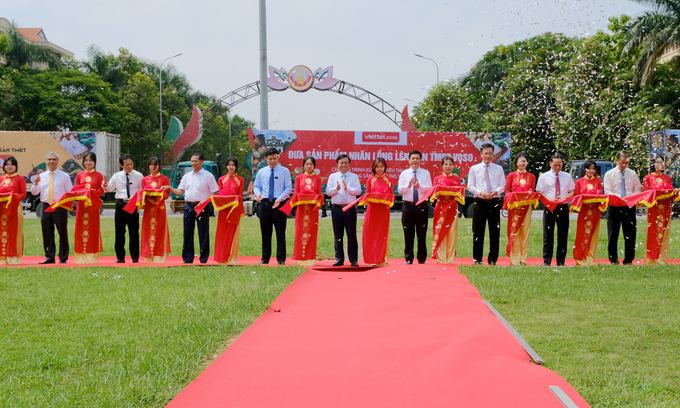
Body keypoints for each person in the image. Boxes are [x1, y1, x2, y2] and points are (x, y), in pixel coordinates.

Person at [163, 153, 219, 264]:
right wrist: (169, 188)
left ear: (201, 162)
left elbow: (214, 192)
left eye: (195, 161)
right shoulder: (187, 176)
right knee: (188, 232)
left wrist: (205, 201)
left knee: (203, 232)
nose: (193, 163)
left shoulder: (208, 176)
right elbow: (179, 192)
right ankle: (188, 258)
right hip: (188, 206)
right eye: (192, 161)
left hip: (202, 206)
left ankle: (203, 258)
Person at [31, 152, 73, 264]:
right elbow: (35, 193)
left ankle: (63, 257)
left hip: (59, 206)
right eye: (49, 159)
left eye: (54, 159)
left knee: (62, 232)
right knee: (47, 232)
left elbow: (70, 192)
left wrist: (60, 199)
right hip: (45, 206)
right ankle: (49, 256)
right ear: (46, 161)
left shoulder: (65, 176)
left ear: (57, 161)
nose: (51, 161)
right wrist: (35, 184)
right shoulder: (41, 176)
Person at [467, 143, 506, 265]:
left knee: (494, 232)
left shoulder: (498, 169)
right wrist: (481, 192)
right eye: (485, 153)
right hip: (480, 202)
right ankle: (477, 259)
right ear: (481, 154)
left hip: (494, 202)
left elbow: (502, 185)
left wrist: (496, 191)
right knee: (478, 231)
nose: (488, 156)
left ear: (493, 154)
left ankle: (493, 259)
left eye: (490, 153)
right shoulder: (474, 169)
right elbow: (470, 186)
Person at [252, 148, 292, 265]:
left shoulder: (284, 171)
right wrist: (257, 194)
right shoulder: (261, 172)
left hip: (279, 203)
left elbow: (288, 187)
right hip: (264, 203)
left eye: (274, 158)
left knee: (280, 232)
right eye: (270, 159)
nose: (272, 161)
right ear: (266, 159)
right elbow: (257, 186)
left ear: (278, 157)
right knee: (265, 232)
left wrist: (280, 199)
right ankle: (265, 258)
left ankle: (281, 259)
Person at [536, 153, 575, 266]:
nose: (557, 168)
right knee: (548, 235)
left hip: (563, 207)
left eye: (560, 165)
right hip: (549, 207)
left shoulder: (567, 176)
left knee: (563, 235)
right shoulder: (544, 177)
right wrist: (549, 199)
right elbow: (540, 192)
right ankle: (547, 261)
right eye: (555, 165)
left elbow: (572, 190)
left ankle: (561, 261)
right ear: (550, 164)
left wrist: (565, 198)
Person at [603, 151, 641, 265]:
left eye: (626, 162)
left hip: (628, 206)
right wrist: (619, 199)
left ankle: (629, 259)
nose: (624, 165)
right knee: (613, 234)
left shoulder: (632, 174)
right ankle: (613, 259)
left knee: (630, 234)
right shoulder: (609, 174)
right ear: (617, 161)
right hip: (614, 206)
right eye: (622, 162)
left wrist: (629, 199)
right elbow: (608, 191)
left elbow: (637, 189)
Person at [325, 154, 362, 267]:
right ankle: (339, 258)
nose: (344, 165)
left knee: (351, 234)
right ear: (337, 164)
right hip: (337, 209)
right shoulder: (332, 176)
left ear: (349, 164)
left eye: (346, 162)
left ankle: (353, 259)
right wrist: (336, 189)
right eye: (341, 162)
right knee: (338, 234)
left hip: (350, 208)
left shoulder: (354, 177)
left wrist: (347, 189)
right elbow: (328, 192)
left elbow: (358, 191)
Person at [398, 150, 433, 265]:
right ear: (409, 160)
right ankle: (408, 258)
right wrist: (408, 186)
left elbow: (429, 189)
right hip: (408, 206)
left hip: (421, 206)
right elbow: (399, 190)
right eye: (413, 158)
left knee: (421, 233)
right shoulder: (404, 174)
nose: (415, 160)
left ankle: (422, 258)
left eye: (417, 158)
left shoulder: (425, 173)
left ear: (421, 160)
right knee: (408, 233)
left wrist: (420, 186)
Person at [107, 154, 143, 263]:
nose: (129, 166)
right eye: (127, 165)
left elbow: (142, 191)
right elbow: (109, 188)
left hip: (132, 204)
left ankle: (135, 257)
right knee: (119, 231)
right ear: (121, 165)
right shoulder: (117, 176)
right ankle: (120, 256)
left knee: (133, 231)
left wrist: (136, 197)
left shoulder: (138, 175)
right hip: (120, 203)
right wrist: (104, 185)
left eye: (131, 164)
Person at [643, 155, 679, 265]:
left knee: (664, 232)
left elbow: (671, 193)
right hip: (654, 209)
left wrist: (675, 191)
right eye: (657, 162)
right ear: (653, 164)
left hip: (665, 208)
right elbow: (646, 194)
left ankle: (662, 259)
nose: (660, 164)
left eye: (661, 162)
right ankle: (651, 259)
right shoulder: (648, 178)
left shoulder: (667, 178)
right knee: (653, 232)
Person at [73, 153, 106, 263]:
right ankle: (80, 255)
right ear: (83, 162)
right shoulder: (79, 175)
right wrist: (83, 193)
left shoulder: (99, 175)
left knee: (93, 229)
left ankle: (92, 255)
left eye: (90, 161)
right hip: (82, 206)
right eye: (86, 160)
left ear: (95, 162)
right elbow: (76, 190)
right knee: (80, 229)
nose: (88, 163)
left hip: (93, 206)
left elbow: (101, 191)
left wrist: (91, 193)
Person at [504, 152, 536, 266]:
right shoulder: (512, 175)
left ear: (527, 162)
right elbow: (507, 191)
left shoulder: (532, 176)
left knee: (525, 232)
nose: (522, 163)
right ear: (516, 163)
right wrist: (511, 197)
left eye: (524, 160)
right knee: (514, 231)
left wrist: (530, 193)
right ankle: (514, 259)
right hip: (514, 206)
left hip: (526, 207)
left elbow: (532, 190)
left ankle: (523, 259)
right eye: (520, 161)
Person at [290, 156, 323, 267]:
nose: (309, 166)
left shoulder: (318, 178)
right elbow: (296, 194)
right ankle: (300, 257)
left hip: (312, 211)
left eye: (311, 164)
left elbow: (319, 194)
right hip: (301, 210)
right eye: (307, 164)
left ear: (314, 166)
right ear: (303, 165)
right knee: (300, 232)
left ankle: (310, 257)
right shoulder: (299, 178)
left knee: (312, 233)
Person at [572, 160, 604, 266]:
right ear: (584, 169)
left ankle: (591, 259)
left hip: (595, 211)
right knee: (582, 234)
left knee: (593, 235)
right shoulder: (579, 182)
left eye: (593, 169)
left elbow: (601, 197)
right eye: (589, 168)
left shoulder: (599, 182)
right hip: (584, 212)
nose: (591, 171)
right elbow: (577, 197)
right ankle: (580, 259)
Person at [363, 157, 394, 266]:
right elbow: (366, 195)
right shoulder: (370, 179)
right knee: (371, 234)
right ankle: (372, 259)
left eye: (382, 166)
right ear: (374, 168)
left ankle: (381, 259)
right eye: (377, 167)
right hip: (372, 211)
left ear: (385, 167)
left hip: (384, 211)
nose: (380, 169)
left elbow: (391, 196)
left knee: (382, 235)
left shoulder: (389, 180)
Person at [431, 156, 462, 264]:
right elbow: (434, 194)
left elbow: (459, 195)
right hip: (440, 209)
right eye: (446, 164)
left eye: (450, 164)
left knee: (452, 233)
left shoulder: (457, 179)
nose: (448, 166)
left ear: (453, 166)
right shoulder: (437, 179)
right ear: (442, 166)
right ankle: (441, 258)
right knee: (440, 231)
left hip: (452, 209)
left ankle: (450, 258)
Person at [214, 156, 245, 264]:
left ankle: (231, 256)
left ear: (236, 166)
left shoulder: (241, 180)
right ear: (226, 166)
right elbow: (220, 195)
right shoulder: (221, 179)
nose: (231, 167)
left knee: (232, 232)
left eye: (233, 165)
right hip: (224, 210)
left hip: (234, 210)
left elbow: (240, 196)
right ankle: (221, 257)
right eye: (229, 165)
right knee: (222, 232)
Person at [140, 157, 171, 263]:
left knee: (160, 230)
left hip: (160, 208)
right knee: (148, 230)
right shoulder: (144, 179)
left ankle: (159, 255)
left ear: (159, 166)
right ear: (148, 166)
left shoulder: (164, 179)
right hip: (149, 208)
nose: (153, 167)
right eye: (151, 165)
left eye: (155, 165)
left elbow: (167, 195)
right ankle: (148, 255)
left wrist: (158, 193)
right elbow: (143, 193)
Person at [0, 157, 27, 264]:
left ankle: (12, 256)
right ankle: (2, 256)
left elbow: (23, 194)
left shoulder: (20, 178)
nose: (9, 166)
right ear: (4, 166)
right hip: (1, 210)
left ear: (16, 166)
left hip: (14, 209)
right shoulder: (1, 178)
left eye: (12, 164)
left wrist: (13, 196)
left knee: (13, 231)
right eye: (7, 164)